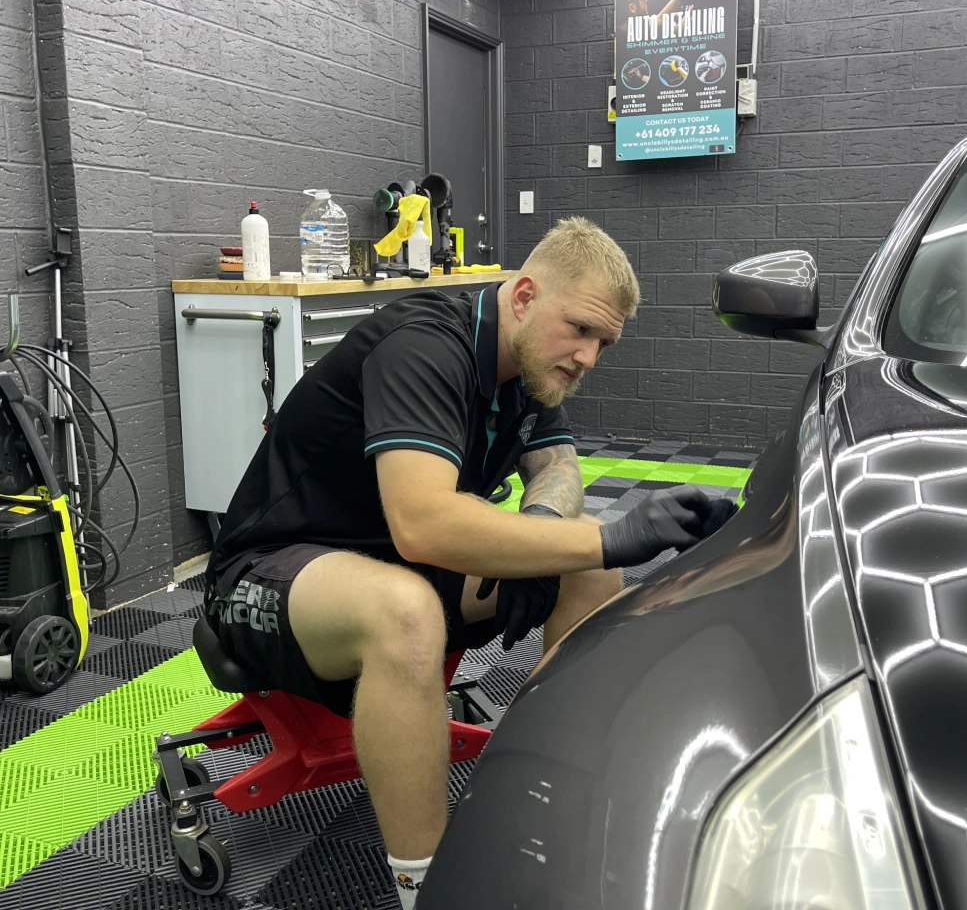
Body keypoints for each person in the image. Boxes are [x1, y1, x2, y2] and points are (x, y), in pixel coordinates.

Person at [202, 216, 728, 908]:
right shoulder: (426, 345)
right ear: (524, 296)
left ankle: (533, 777)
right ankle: (429, 889)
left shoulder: (528, 368)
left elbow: (559, 465)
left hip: (390, 563)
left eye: (604, 341)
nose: (589, 356)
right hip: (269, 571)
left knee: (584, 570)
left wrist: (541, 538)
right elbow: (422, 523)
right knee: (408, 612)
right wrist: (610, 537)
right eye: (579, 329)